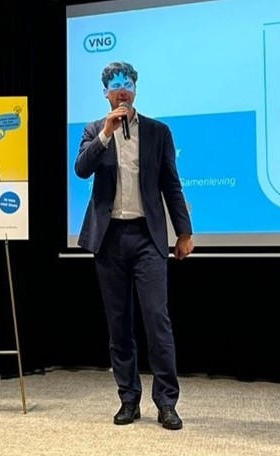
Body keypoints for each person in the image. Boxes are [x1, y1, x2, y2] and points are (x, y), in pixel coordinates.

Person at [74, 61, 194, 431]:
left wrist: (184, 232)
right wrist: (106, 134)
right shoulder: (94, 130)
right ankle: (129, 399)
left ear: (136, 89)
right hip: (109, 238)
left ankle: (166, 403)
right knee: (119, 325)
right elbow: (81, 169)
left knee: (157, 320)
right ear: (105, 93)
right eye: (115, 85)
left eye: (127, 83)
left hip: (147, 237)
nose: (122, 89)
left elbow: (171, 184)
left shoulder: (158, 131)